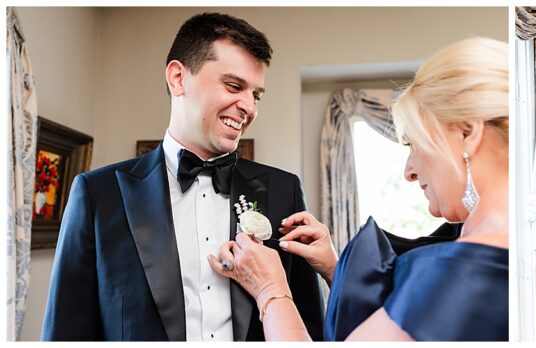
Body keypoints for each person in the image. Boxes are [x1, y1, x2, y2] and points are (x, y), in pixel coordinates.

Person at [41, 13, 324, 341]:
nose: (249, 106)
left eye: (256, 94)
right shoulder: (97, 195)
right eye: (234, 86)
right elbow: (66, 335)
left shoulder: (283, 190)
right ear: (177, 78)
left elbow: (310, 327)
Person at [206, 37, 509, 341]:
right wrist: (334, 268)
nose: (409, 171)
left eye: (415, 144)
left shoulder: (462, 269)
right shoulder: (505, 252)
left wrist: (270, 291)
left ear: (467, 133)